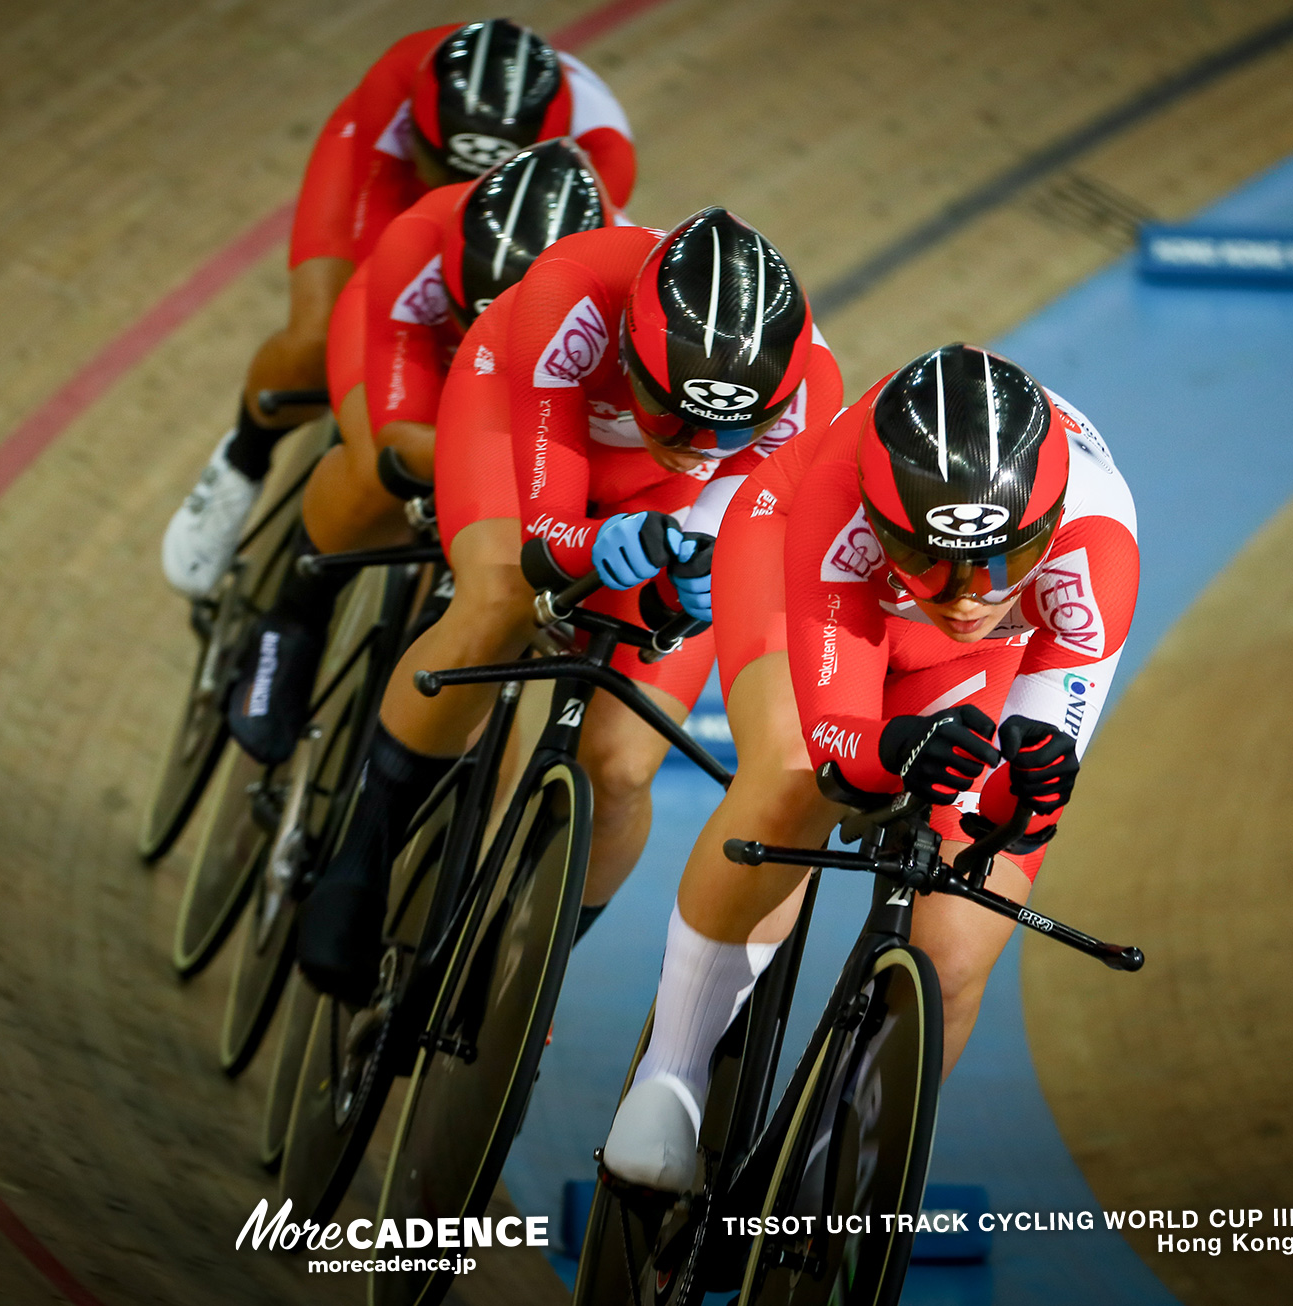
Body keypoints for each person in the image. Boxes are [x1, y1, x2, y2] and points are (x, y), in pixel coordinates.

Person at [601, 343, 1139, 1192]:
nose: (965, 593)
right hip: (802, 567)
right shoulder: (839, 494)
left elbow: (1025, 801)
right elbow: (836, 744)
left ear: (1044, 532)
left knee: (960, 942)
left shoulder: (1097, 546)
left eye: (1000, 565)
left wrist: (1026, 787)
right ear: (888, 527)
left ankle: (835, 1182)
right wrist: (888, 748)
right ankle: (669, 1077)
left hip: (984, 658)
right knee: (788, 777)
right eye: (931, 557)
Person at [296, 208, 844, 1006]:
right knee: (498, 599)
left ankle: (519, 965)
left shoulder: (807, 398)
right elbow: (549, 525)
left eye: (731, 430)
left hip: (671, 505)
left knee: (620, 768)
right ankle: (361, 860)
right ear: (628, 351)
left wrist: (689, 586)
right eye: (675, 415)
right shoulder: (572, 293)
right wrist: (592, 545)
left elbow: (731, 542)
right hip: (525, 428)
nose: (699, 442)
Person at [159, 19, 637, 600]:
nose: (469, 183)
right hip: (402, 199)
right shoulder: (396, 91)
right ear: (424, 135)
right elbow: (378, 270)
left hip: (508, 237)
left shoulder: (603, 153)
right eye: (455, 166)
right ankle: (242, 460)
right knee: (321, 335)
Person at [227, 138, 617, 764]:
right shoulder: (421, 238)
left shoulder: (618, 281)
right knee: (382, 466)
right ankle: (292, 620)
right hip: (420, 352)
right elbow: (400, 433)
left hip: (539, 392)